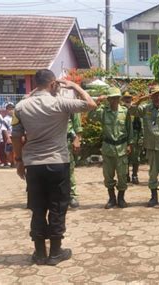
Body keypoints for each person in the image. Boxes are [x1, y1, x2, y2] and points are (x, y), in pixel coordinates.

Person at [11, 69, 96, 265]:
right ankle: (56, 253)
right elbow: (91, 104)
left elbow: (16, 136)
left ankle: (40, 253)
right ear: (53, 84)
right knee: (58, 207)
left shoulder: (21, 106)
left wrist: (18, 160)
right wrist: (75, 86)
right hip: (58, 162)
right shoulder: (60, 103)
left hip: (33, 165)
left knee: (38, 207)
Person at [89, 87, 133, 209]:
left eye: (116, 98)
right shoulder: (103, 112)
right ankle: (112, 198)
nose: (114, 100)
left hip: (122, 147)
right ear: (108, 99)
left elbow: (129, 129)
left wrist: (130, 144)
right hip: (108, 148)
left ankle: (121, 198)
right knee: (108, 176)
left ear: (119, 99)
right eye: (112, 98)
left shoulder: (125, 112)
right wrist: (97, 101)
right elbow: (91, 116)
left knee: (122, 176)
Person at [122, 91, 143, 185]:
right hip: (123, 136)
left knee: (135, 158)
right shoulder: (120, 109)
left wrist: (141, 137)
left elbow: (141, 124)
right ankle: (125, 175)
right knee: (124, 157)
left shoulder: (135, 109)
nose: (127, 99)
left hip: (135, 136)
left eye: (129, 98)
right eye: (126, 98)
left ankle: (134, 175)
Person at [67, 113, 82, 208]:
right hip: (49, 141)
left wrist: (77, 140)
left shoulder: (69, 102)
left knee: (69, 169)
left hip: (66, 141)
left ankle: (72, 196)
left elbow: (77, 125)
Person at [4, 102, 15, 167]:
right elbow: (4, 129)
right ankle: (11, 162)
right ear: (7, 110)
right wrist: (8, 138)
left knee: (16, 150)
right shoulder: (5, 119)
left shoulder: (17, 117)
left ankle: (15, 163)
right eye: (9, 109)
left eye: (12, 109)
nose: (10, 110)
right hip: (10, 136)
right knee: (8, 151)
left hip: (17, 136)